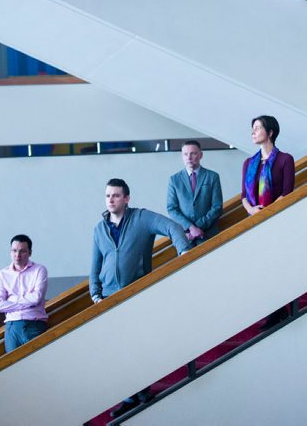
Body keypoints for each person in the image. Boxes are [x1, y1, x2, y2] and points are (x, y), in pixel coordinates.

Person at [90, 178, 190, 418]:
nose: (111, 200)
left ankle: (142, 391)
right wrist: (95, 294)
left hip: (137, 293)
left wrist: (184, 253)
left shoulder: (141, 218)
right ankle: (128, 396)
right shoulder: (99, 229)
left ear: (126, 198)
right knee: (118, 351)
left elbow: (173, 228)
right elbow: (95, 266)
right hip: (109, 299)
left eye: (116, 195)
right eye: (108, 196)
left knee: (139, 345)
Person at [241, 115, 295, 328]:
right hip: (256, 222)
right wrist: (253, 211)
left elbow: (287, 192)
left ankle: (281, 309)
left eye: (257, 128)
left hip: (278, 221)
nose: (253, 132)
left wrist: (268, 212)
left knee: (277, 265)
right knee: (261, 268)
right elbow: (244, 195)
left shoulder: (285, 159)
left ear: (270, 132)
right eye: (252, 128)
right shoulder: (248, 163)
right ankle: (271, 309)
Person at [0, 234, 48, 353]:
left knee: (38, 365)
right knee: (14, 368)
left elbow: (36, 298)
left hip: (35, 325)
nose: (17, 255)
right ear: (10, 251)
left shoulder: (39, 270)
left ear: (30, 253)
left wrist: (12, 300)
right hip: (12, 327)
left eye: (22, 251)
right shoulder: (2, 275)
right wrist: (26, 302)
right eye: (14, 250)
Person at [167, 140, 223, 246]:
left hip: (208, 235)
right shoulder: (174, 180)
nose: (189, 157)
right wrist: (191, 228)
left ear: (200, 155)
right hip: (185, 237)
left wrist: (198, 227)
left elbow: (217, 207)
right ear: (182, 156)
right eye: (185, 154)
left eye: (193, 153)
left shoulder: (212, 177)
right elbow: (172, 209)